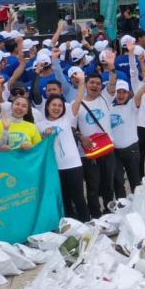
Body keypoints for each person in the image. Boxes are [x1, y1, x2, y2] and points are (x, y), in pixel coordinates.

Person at [72, 70, 118, 218]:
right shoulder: (77, 103)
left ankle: (109, 212)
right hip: (88, 152)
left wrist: (111, 68)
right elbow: (71, 126)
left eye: (98, 83)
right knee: (93, 186)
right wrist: (80, 136)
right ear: (85, 84)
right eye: (91, 82)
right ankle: (96, 216)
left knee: (108, 184)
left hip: (107, 149)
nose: (95, 86)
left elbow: (112, 84)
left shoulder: (105, 98)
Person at [36, 94, 88, 222]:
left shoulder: (67, 118)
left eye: (60, 106)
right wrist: (44, 135)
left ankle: (87, 224)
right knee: (64, 199)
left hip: (73, 165)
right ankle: (71, 226)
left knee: (79, 198)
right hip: (55, 168)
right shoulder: (40, 124)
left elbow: (78, 100)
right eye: (54, 105)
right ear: (47, 106)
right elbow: (39, 145)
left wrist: (81, 82)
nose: (57, 108)